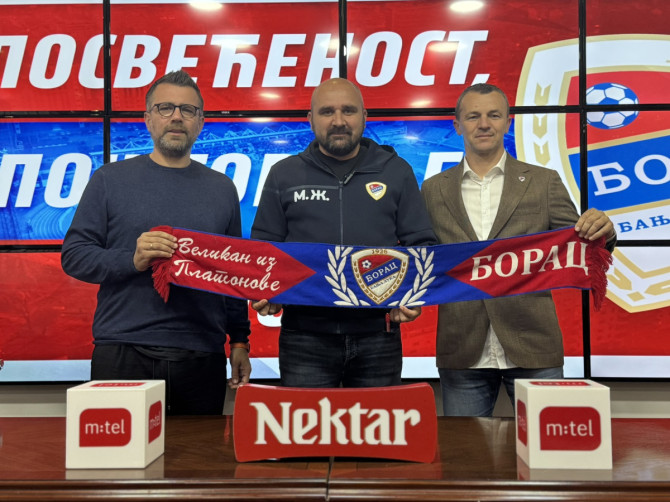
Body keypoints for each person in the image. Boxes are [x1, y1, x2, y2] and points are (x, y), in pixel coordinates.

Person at [61, 70, 251, 415]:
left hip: (201, 354)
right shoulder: (109, 180)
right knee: (117, 453)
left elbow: (232, 272)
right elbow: (74, 256)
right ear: (148, 118)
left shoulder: (222, 189)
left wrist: (240, 340)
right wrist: (132, 260)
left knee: (198, 453)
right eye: (165, 108)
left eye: (188, 110)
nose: (177, 117)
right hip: (122, 349)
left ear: (200, 122)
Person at [421, 83, 617, 416]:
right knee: (464, 449)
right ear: (457, 125)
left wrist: (604, 230)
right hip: (461, 347)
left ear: (508, 122)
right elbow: (422, 257)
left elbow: (582, 243)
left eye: (494, 115)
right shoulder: (432, 189)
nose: (484, 124)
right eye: (473, 116)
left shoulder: (544, 182)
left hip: (535, 344)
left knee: (549, 447)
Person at [250, 78, 437, 388]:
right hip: (304, 338)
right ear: (311, 119)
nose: (338, 121)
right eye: (327, 112)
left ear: (364, 116)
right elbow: (263, 250)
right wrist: (266, 292)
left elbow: (421, 246)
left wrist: (412, 296)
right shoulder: (284, 174)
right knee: (307, 422)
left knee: (378, 422)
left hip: (378, 337)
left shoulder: (396, 171)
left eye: (348, 110)